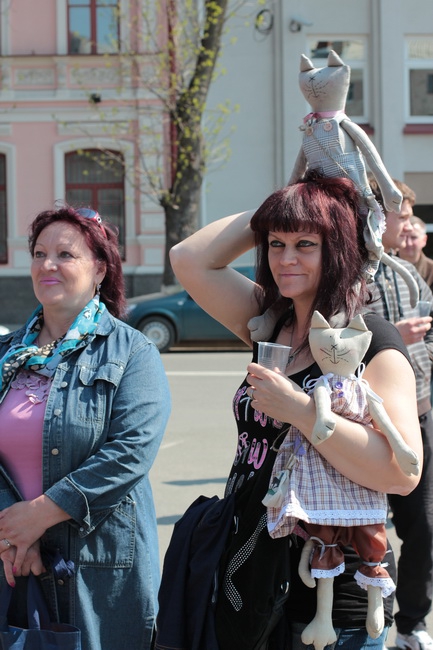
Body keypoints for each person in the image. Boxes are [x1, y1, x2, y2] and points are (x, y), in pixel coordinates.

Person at [170, 172, 422, 650]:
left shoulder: (371, 341)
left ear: (339, 246)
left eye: (306, 243)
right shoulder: (271, 321)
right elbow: (190, 258)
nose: (285, 258)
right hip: (251, 569)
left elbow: (402, 472)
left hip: (335, 589)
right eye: (276, 243)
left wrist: (305, 412)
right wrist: (285, 205)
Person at [0, 205, 170, 650]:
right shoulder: (4, 355)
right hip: (12, 562)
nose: (47, 265)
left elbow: (131, 452)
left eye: (65, 254)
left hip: (99, 572)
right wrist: (12, 532)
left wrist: (40, 515)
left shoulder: (133, 352)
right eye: (39, 254)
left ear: (99, 269)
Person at [368, 178, 433, 650]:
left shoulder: (407, 272)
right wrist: (395, 334)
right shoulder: (354, 272)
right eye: (402, 215)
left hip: (419, 412)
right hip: (367, 423)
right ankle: (371, 624)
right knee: (366, 533)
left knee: (424, 527)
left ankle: (411, 624)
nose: (408, 225)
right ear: (377, 216)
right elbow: (335, 338)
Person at [399, 215, 433, 291]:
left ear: (424, 240)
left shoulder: (431, 271)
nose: (409, 243)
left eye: (413, 237)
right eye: (404, 237)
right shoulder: (384, 267)